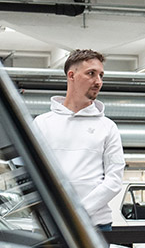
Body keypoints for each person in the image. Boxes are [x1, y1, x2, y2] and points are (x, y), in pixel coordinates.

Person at [32, 48, 125, 229]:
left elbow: (114, 180)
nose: (98, 81)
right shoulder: (41, 123)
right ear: (71, 75)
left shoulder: (108, 127)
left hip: (96, 224)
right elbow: (33, 173)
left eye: (101, 75)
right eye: (91, 74)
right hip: (50, 223)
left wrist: (79, 212)